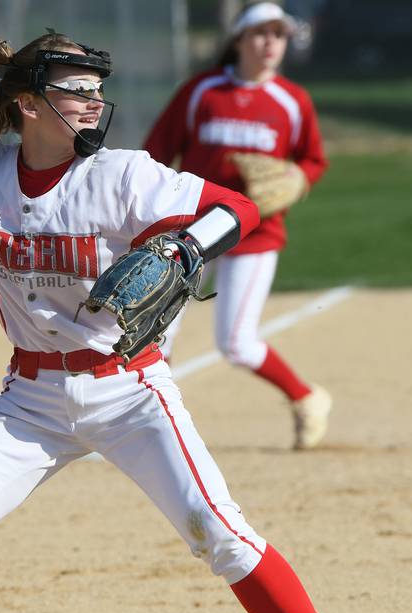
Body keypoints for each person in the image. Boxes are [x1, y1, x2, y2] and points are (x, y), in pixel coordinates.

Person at [0, 30, 390, 613]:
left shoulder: (124, 175)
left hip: (130, 390)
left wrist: (189, 247)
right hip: (30, 401)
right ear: (27, 104)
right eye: (77, 90)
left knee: (221, 535)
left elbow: (238, 209)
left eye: (98, 92)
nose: (93, 103)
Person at [144, 2, 332, 450]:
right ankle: (150, 424)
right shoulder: (202, 92)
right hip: (191, 231)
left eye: (279, 35)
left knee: (236, 343)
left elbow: (313, 158)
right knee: (155, 331)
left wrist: (295, 178)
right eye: (261, 33)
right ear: (239, 40)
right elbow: (157, 150)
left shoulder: (291, 100)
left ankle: (306, 398)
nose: (271, 43)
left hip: (255, 233)